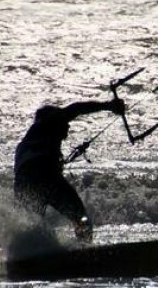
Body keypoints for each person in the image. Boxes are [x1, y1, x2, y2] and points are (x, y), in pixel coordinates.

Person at [14, 97, 125, 242]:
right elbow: (76, 108)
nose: (68, 126)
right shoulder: (47, 122)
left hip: (23, 186)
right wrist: (108, 105)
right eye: (65, 122)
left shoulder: (28, 142)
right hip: (44, 178)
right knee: (81, 218)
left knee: (34, 226)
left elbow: (34, 163)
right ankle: (85, 252)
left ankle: (32, 253)